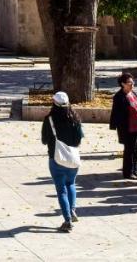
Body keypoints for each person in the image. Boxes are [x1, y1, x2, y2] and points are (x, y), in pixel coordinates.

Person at [40, 91, 84, 233]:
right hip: (72, 159)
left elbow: (44, 140)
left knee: (61, 190)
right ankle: (72, 210)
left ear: (54, 103)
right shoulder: (75, 118)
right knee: (71, 184)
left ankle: (67, 221)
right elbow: (78, 140)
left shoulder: (49, 119)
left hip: (55, 158)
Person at [108, 71, 137, 179]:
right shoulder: (119, 97)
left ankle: (133, 170)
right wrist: (114, 126)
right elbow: (116, 113)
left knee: (136, 150)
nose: (132, 84)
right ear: (123, 84)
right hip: (128, 128)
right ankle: (127, 172)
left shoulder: (132, 93)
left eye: (133, 82)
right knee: (129, 151)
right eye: (129, 82)